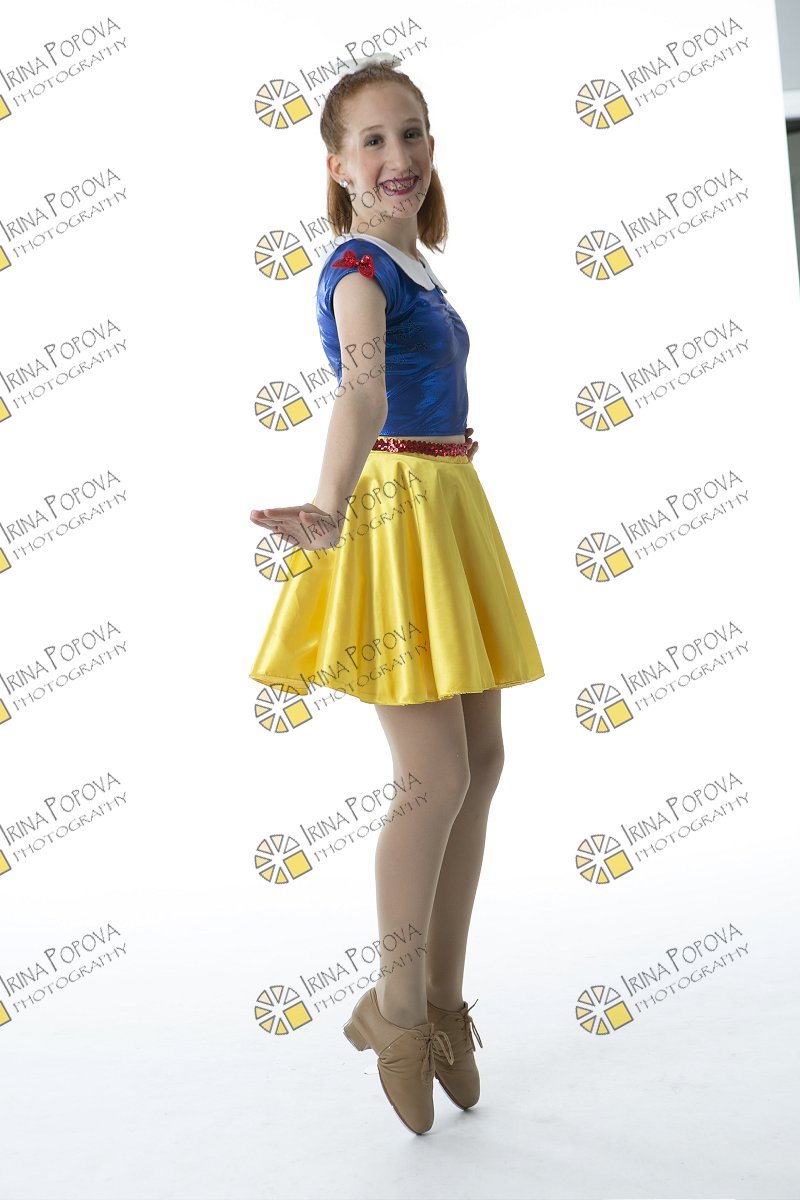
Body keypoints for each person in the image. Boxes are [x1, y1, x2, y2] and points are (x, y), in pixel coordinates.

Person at [248, 54, 546, 1135]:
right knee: (432, 776)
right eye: (371, 141)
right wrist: (327, 503)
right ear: (337, 166)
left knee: (482, 762)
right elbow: (361, 393)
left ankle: (443, 999)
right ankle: (399, 1010)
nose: (396, 155)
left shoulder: (418, 266)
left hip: (447, 501)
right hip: (395, 517)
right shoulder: (358, 270)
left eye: (410, 132)